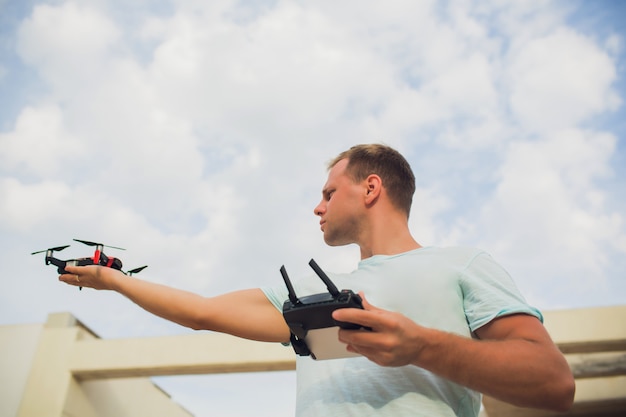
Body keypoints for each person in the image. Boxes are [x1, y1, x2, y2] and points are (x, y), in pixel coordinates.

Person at [60, 144, 575, 416]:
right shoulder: (310, 299)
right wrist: (115, 282)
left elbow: (553, 383)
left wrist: (419, 345)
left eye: (329, 192)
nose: (317, 206)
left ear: (370, 188)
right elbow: (200, 312)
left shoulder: (462, 265)